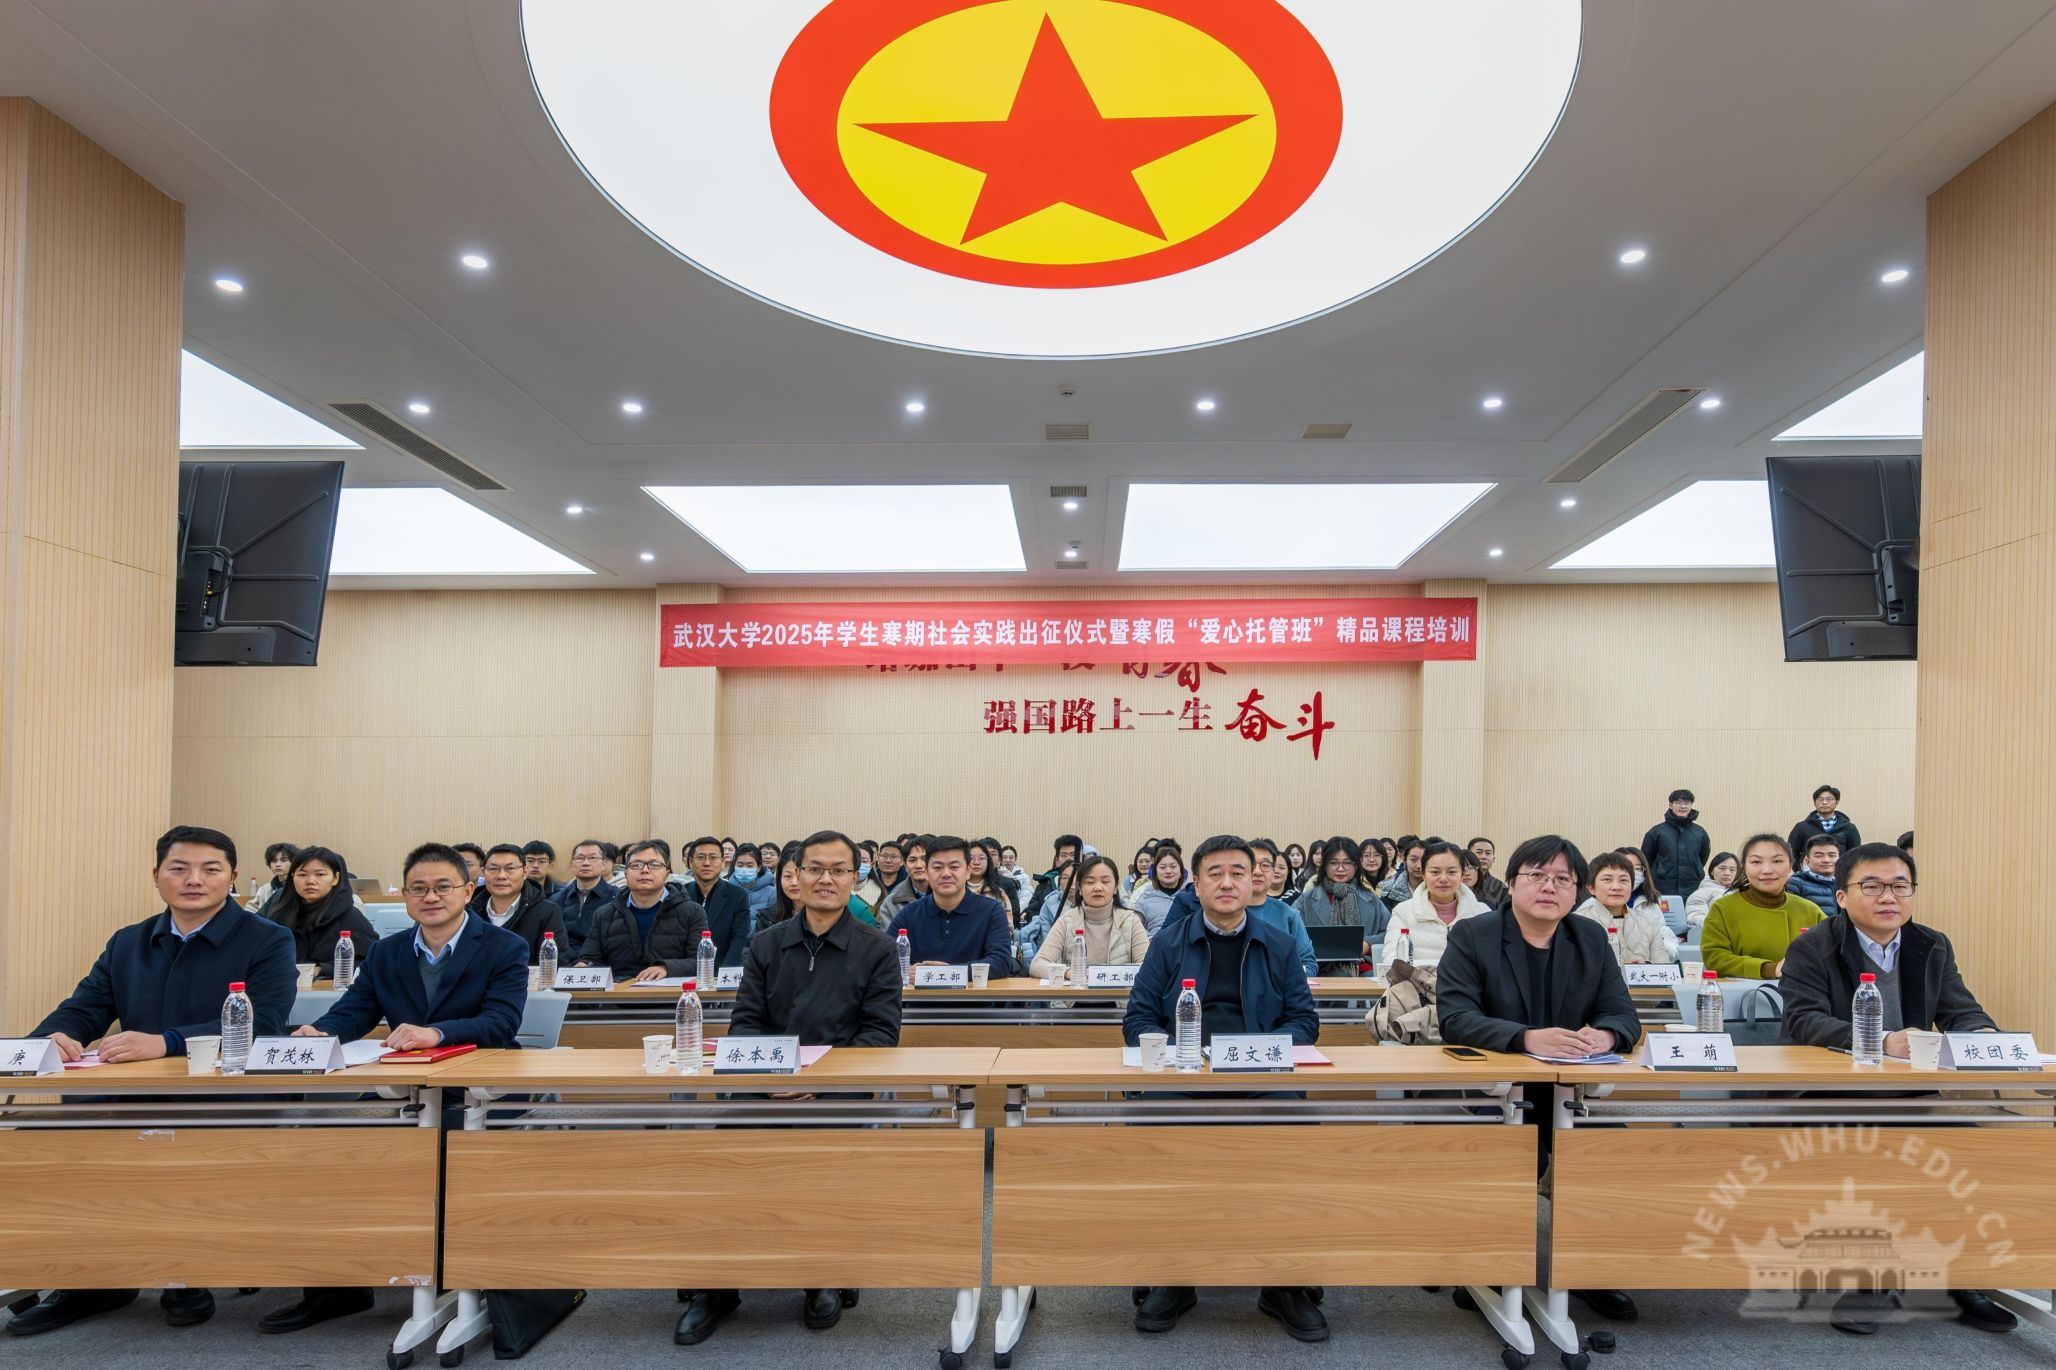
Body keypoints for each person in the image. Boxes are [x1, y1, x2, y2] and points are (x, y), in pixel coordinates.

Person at [10, 825, 296, 1337]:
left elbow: (267, 1022)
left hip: (225, 1095)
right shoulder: (129, 941)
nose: (194, 880)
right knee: (50, 1144)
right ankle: (91, 1280)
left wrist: (167, 1041)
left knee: (179, 1151)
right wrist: (55, 1035)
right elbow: (88, 1005)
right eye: (178, 869)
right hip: (131, 1094)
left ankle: (186, 1272)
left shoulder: (269, 938)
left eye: (210, 869)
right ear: (156, 876)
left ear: (232, 877)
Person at [265, 840, 531, 1335]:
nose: (431, 897)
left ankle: (457, 1272)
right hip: (406, 1090)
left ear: (468, 891)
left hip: (481, 1088)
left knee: (445, 1147)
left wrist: (439, 1032)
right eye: (418, 888)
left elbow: (500, 1022)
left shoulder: (504, 947)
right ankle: (338, 1287)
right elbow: (355, 1011)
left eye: (443, 887)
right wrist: (320, 1032)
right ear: (405, 896)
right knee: (325, 1143)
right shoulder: (387, 952)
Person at [1777, 842, 2015, 1337]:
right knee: (1877, 1157)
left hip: (1909, 1093)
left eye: (1900, 886)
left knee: (1977, 1151)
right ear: (1842, 896)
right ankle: (1870, 1280)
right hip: (1828, 1092)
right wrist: (1881, 1040)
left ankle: (1962, 1278)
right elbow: (1804, 1021)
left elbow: (1960, 1010)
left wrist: (1982, 1035)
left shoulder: (1931, 944)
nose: (1889, 897)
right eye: (1872, 886)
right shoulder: (1813, 946)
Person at [676, 831, 904, 1344]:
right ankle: (717, 1284)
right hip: (765, 1087)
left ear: (855, 878)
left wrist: (816, 1082)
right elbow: (745, 1024)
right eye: (815, 868)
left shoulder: (878, 949)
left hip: (837, 1093)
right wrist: (772, 1079)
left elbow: (879, 1034)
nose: (826, 879)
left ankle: (819, 1272)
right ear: (795, 876)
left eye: (838, 870)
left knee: (819, 1166)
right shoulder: (766, 943)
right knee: (723, 1164)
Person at [1122, 835, 1323, 1341]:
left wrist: (1254, 1055)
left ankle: (1283, 1281)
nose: (1227, 882)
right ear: (1196, 883)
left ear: (1255, 880)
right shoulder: (1168, 943)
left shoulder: (1278, 943)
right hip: (1184, 1075)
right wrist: (1185, 1056)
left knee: (1298, 1133)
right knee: (1153, 1130)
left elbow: (1305, 1022)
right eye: (1215, 873)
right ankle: (1174, 1272)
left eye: (1238, 872)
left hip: (1260, 1077)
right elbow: (1138, 1019)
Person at [1434, 834, 1641, 1326]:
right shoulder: (1473, 935)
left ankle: (1586, 1269)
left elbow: (1623, 1015)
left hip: (1570, 1089)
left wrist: (1606, 1036)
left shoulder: (1590, 938)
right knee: (1507, 1153)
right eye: (1537, 876)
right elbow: (1455, 1018)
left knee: (1607, 1151)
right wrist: (1526, 1038)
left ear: (1577, 891)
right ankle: (1488, 1264)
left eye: (1562, 879)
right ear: (1510, 884)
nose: (1549, 887)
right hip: (1493, 1087)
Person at [1158, 840, 1319, 976]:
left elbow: (1308, 963)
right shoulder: (1217, 912)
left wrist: (1281, 979)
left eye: (1265, 865)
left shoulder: (1288, 915)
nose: (1258, 872)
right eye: (1253, 865)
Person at [575, 840, 709, 981]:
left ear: (666, 875)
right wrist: (583, 965)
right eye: (636, 865)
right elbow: (590, 958)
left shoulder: (692, 912)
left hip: (671, 993)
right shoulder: (604, 914)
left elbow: (701, 961)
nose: (645, 870)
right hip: (619, 992)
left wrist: (666, 968)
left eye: (654, 865)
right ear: (626, 874)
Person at [1699, 834, 1824, 980]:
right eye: (1756, 862)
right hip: (1743, 993)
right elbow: (1715, 958)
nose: (1767, 870)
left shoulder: (1810, 911)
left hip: (1803, 992)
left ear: (1791, 865)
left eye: (1777, 861)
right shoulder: (1723, 909)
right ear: (1744, 867)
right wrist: (1770, 969)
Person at [886, 835, 1014, 975]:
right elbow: (885, 958)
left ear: (968, 871)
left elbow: (1001, 962)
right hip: (920, 990)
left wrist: (949, 973)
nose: (946, 874)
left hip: (973, 989)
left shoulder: (991, 910)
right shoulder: (909, 914)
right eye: (937, 867)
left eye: (954, 867)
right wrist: (905, 971)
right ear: (927, 872)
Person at [264, 845, 380, 976]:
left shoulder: (350, 917)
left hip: (331, 987)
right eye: (302, 874)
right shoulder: (280, 913)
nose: (310, 881)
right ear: (292, 877)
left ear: (335, 878)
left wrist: (321, 969)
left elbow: (368, 962)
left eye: (320, 874)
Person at [1029, 854, 1150, 978]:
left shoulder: (1130, 921)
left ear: (1115, 887)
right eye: (1090, 882)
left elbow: (1148, 966)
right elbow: (1037, 964)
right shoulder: (1067, 921)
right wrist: (1067, 972)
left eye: (1105, 881)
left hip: (1120, 991)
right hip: (1077, 989)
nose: (1097, 888)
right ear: (1080, 888)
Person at [1294, 836, 1390, 972]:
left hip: (1364, 970)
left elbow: (1391, 932)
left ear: (1356, 866)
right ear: (1325, 865)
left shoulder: (1371, 899)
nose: (1340, 869)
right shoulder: (1305, 901)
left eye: (1347, 863)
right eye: (1333, 863)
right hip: (1321, 970)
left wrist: (1367, 943)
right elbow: (1292, 935)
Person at [1388, 840, 1488, 967]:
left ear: (1462, 874)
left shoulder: (1482, 913)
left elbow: (1490, 962)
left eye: (1452, 872)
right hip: (1418, 980)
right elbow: (1392, 961)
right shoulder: (1403, 912)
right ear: (1423, 874)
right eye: (1435, 872)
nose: (1443, 879)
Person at [467, 843, 568, 962]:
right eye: (493, 869)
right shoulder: (468, 911)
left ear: (525, 872)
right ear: (483, 872)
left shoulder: (547, 912)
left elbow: (556, 961)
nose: (501, 876)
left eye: (510, 869)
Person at [1575, 851, 1678, 964]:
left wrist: (1647, 967)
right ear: (1591, 888)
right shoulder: (1577, 924)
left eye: (1623, 880)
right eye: (1607, 880)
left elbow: (1663, 967)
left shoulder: (1649, 923)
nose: (1616, 887)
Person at [680, 835, 752, 967]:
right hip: (686, 970)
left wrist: (725, 972)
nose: (707, 863)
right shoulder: (681, 895)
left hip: (722, 969)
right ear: (690, 862)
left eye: (713, 857)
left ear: (723, 862)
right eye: (701, 857)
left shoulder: (738, 895)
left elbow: (739, 938)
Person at [1641, 790, 1711, 906]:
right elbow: (1646, 859)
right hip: (1663, 887)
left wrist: (1694, 870)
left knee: (1692, 915)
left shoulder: (1700, 832)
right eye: (1678, 802)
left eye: (1687, 803)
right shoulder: (1656, 832)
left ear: (1691, 805)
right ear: (1670, 805)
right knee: (1666, 916)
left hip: (1692, 886)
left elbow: (1703, 857)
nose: (1683, 806)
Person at [549, 838, 618, 957]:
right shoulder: (556, 899)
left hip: (600, 962)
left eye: (592, 858)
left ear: (604, 864)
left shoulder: (616, 898)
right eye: (580, 858)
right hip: (564, 962)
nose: (585, 863)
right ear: (572, 865)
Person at [1789, 783, 1861, 857]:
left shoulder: (1849, 828)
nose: (1824, 802)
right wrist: (1801, 864)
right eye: (1820, 799)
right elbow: (1791, 851)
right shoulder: (1801, 827)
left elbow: (1855, 854)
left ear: (1837, 802)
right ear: (1814, 802)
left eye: (1829, 799)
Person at [1128, 844, 1185, 936]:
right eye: (1162, 867)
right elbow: (1133, 928)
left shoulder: (1192, 894)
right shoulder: (1143, 896)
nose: (1168, 871)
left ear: (1181, 871)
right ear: (1155, 872)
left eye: (1173, 866)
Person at [1684, 851, 1738, 933]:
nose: (1727, 873)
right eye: (1722, 868)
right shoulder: (1699, 895)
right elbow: (1695, 918)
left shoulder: (1744, 893)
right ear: (1712, 871)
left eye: (1732, 870)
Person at [879, 837, 929, 921]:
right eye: (912, 860)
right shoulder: (891, 902)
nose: (919, 865)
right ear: (904, 864)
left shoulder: (948, 895)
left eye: (924, 859)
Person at [1787, 833, 1841, 909]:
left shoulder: (1845, 883)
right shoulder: (1795, 883)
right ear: (1807, 860)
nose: (1826, 860)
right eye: (1819, 856)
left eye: (1831, 855)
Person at [247, 840, 299, 914]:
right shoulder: (265, 889)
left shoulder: (301, 887)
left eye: (283, 860)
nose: (278, 864)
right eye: (274, 861)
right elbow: (249, 911)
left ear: (294, 862)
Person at [855, 839, 904, 912]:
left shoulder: (907, 885)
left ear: (902, 861)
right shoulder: (865, 883)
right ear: (878, 858)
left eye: (894, 857)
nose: (888, 860)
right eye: (884, 856)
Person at [1380, 837, 1424, 902]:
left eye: (1423, 860)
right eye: (1413, 860)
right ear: (1404, 861)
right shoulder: (1387, 889)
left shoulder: (1437, 888)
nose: (1419, 866)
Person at [1468, 837, 1507, 908]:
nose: (1483, 857)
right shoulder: (1459, 881)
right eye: (1479, 852)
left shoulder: (1500, 887)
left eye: (1488, 853)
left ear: (1493, 859)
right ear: (1468, 856)